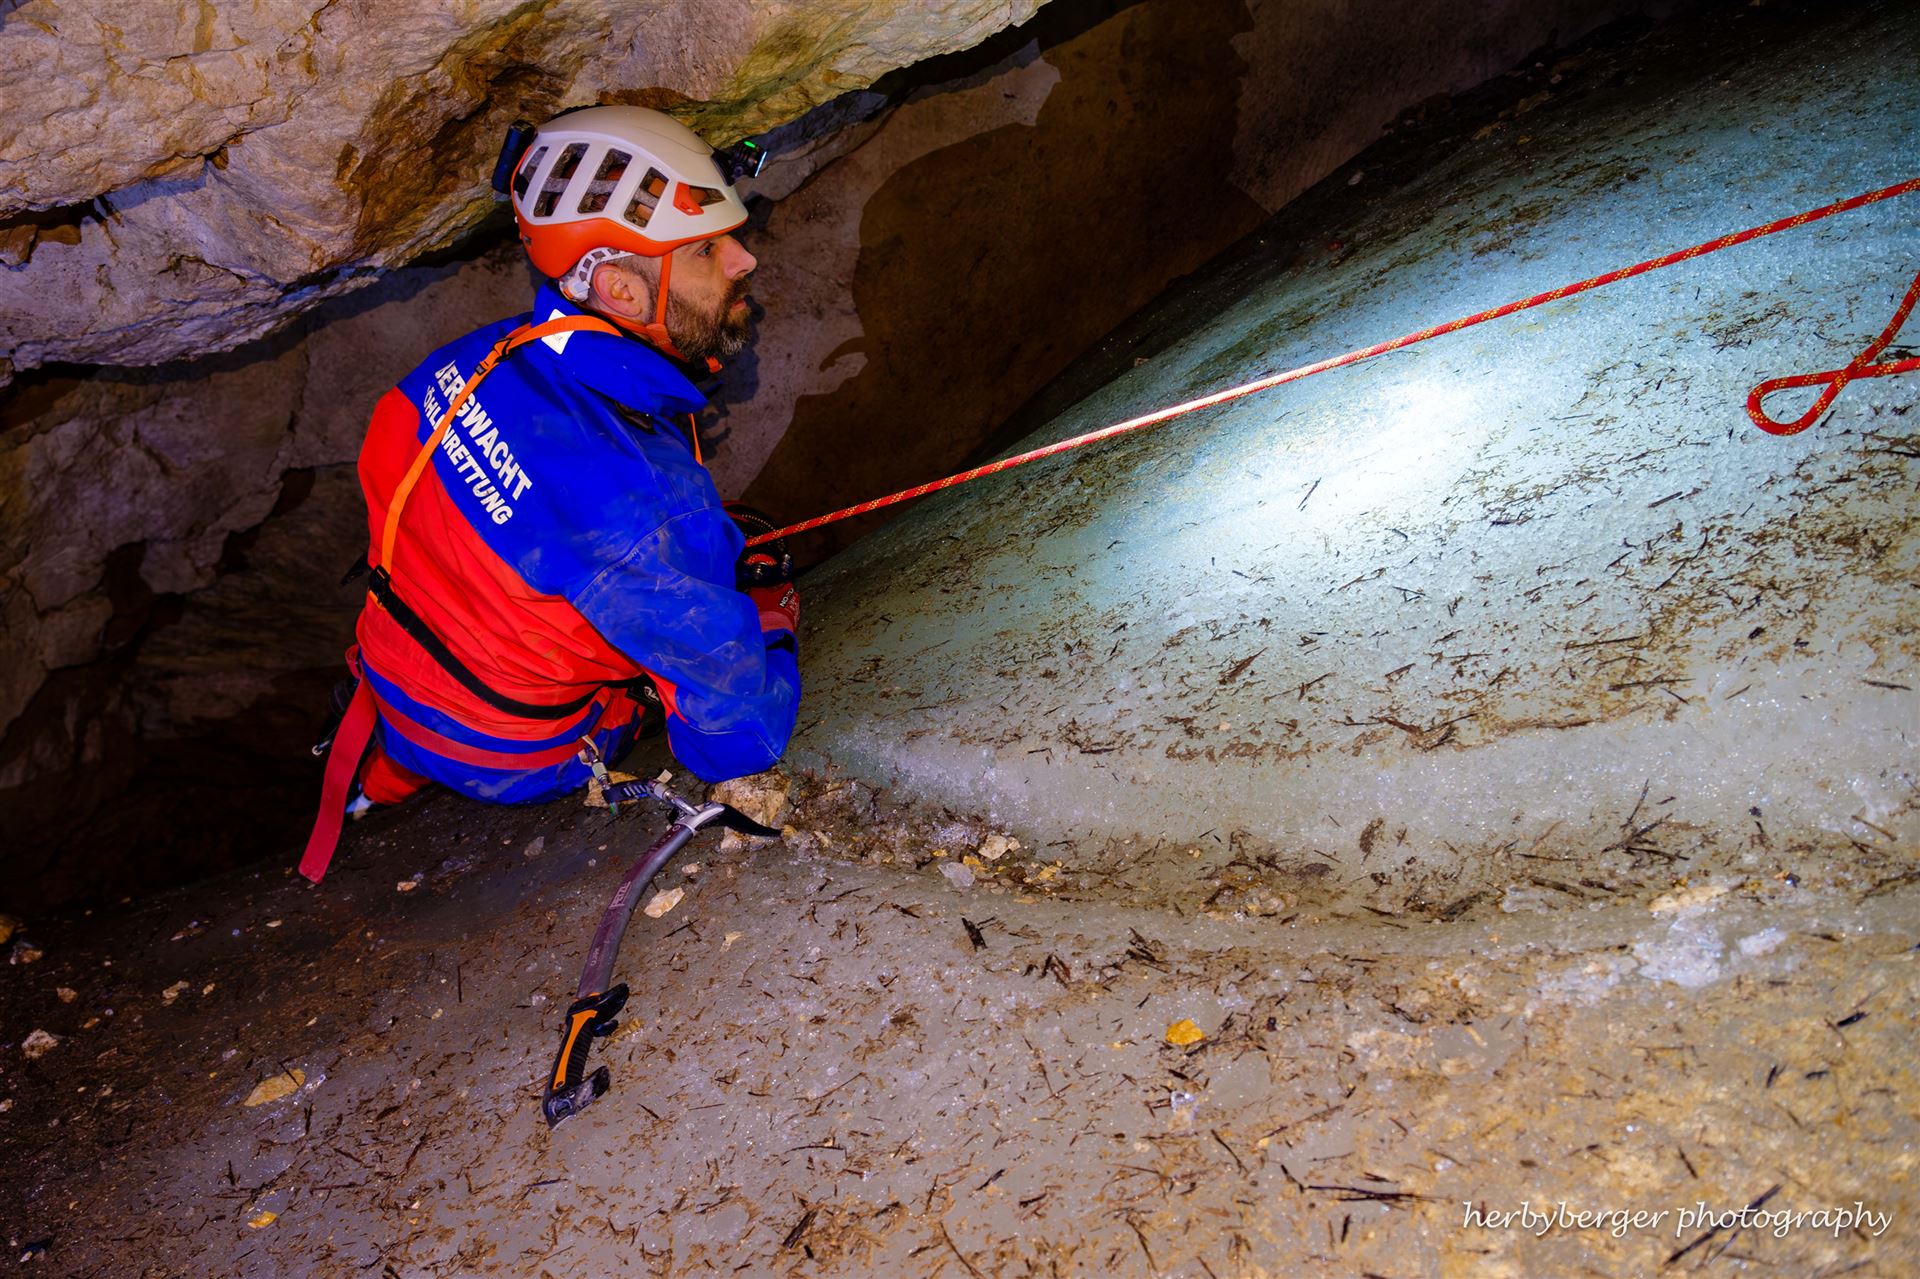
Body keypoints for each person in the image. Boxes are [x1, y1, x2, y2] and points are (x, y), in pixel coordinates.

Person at [299, 105, 800, 883]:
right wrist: (772, 624)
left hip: (392, 679)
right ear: (620, 290)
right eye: (707, 249)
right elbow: (737, 739)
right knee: (723, 626)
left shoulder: (463, 364)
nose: (745, 259)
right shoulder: (647, 507)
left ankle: (376, 784)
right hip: (518, 756)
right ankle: (421, 770)